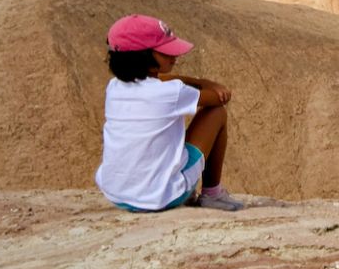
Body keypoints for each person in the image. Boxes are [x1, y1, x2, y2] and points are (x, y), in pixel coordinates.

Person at [95, 14, 245, 213]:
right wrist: (206, 83)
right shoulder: (171, 92)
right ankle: (212, 194)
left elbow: (164, 81)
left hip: (118, 195)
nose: (174, 56)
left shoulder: (114, 88)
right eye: (165, 52)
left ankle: (184, 185)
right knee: (217, 113)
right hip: (161, 196)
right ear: (144, 57)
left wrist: (191, 82)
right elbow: (219, 98)